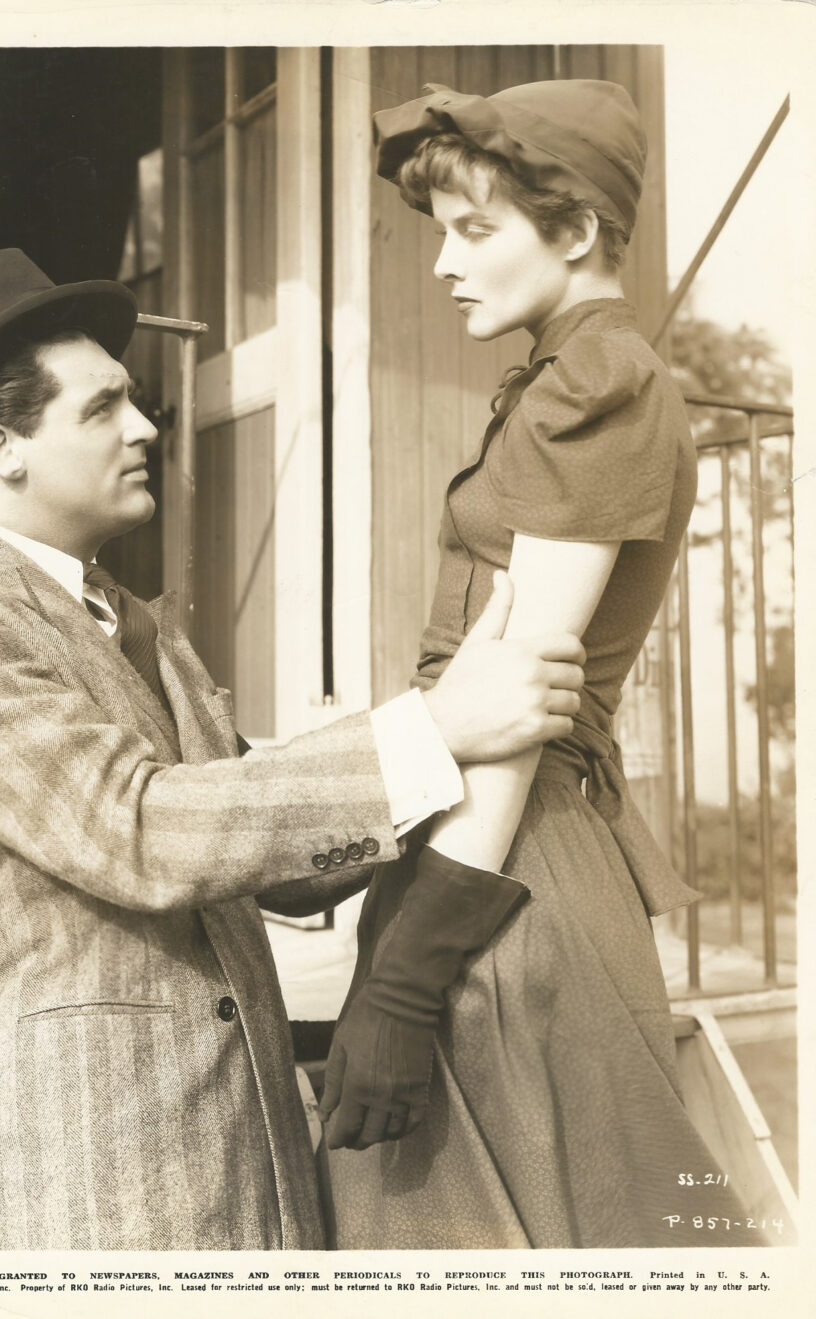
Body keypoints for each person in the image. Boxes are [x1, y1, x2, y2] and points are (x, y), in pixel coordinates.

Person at [0, 247, 587, 1251]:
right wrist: (433, 730)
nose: (145, 426)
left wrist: (459, 744)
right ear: (2, 447)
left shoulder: (134, 621)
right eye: (102, 407)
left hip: (254, 1175)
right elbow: (142, 832)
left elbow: (279, 873)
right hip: (87, 1199)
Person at [320, 79, 762, 1248]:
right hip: (475, 842)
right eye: (442, 234)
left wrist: (410, 974)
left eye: (475, 231)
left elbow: (520, 691)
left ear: (571, 232)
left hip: (512, 860)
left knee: (532, 1233)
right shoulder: (560, 377)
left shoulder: (598, 385)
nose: (445, 265)